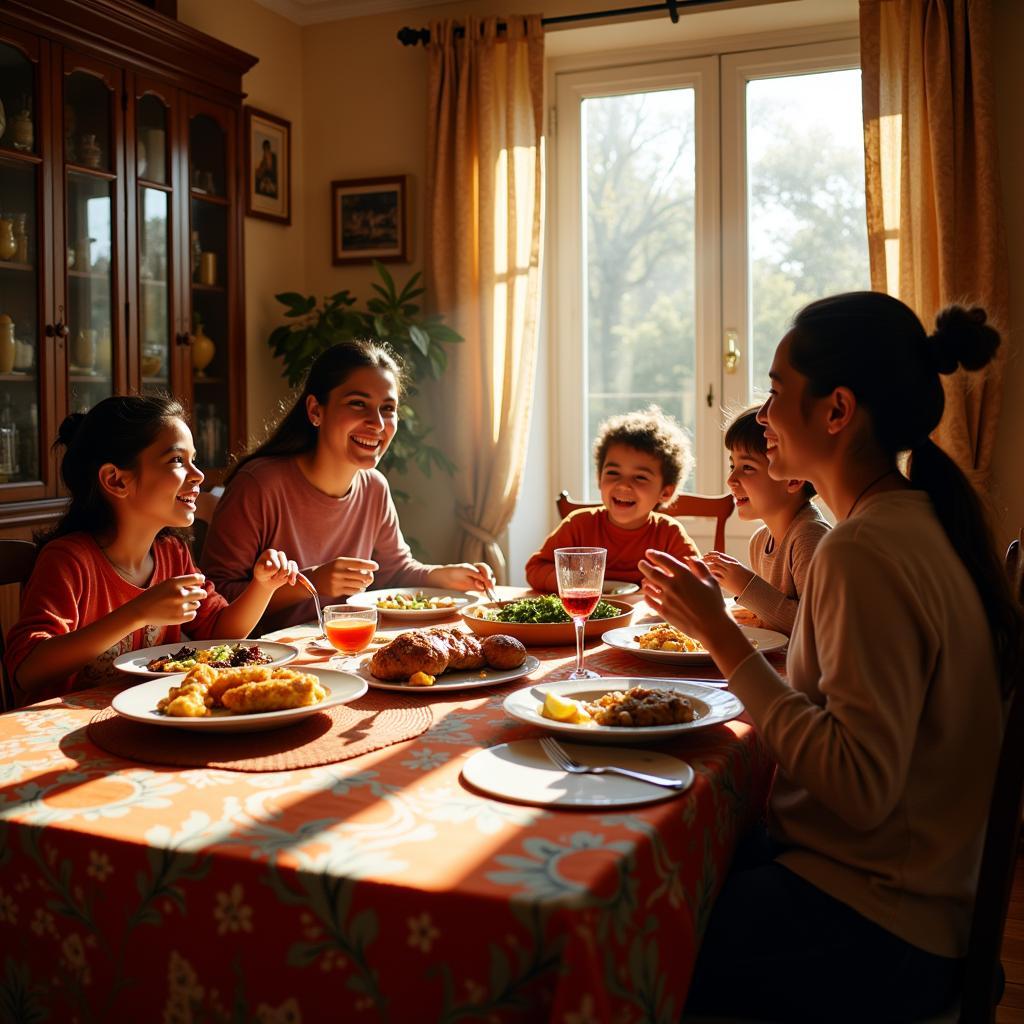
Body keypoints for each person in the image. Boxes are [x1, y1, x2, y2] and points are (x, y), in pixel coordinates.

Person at [639, 293, 1023, 1022]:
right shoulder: (914, 521)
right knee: (682, 869)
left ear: (837, 410)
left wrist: (719, 633)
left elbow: (859, 786)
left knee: (643, 935)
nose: (765, 415)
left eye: (779, 393)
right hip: (914, 896)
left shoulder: (861, 550)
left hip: (881, 923)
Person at [4, 396, 298, 707]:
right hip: (65, 727)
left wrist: (263, 586)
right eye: (176, 461)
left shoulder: (172, 553)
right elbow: (28, 671)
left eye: (193, 459)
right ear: (116, 480)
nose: (198, 475)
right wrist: (137, 612)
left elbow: (220, 629)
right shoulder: (68, 560)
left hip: (145, 718)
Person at [201, 340, 495, 634]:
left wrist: (444, 576)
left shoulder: (375, 488)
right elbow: (215, 601)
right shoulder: (259, 485)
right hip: (265, 661)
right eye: (358, 403)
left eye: (388, 408)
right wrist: (311, 582)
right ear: (316, 410)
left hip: (343, 650)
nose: (377, 423)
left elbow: (395, 571)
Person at [525, 406, 698, 592]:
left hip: (644, 619)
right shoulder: (579, 526)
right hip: (586, 617)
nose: (623, 485)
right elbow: (536, 569)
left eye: (640, 477)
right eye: (613, 473)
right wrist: (575, 582)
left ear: (665, 492)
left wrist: (668, 585)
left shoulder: (669, 534)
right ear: (599, 478)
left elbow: (696, 581)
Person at [702, 406, 830, 634]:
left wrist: (746, 585)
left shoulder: (809, 536)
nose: (731, 479)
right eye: (733, 466)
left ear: (793, 480)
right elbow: (775, 617)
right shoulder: (760, 540)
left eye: (748, 467)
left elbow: (817, 629)